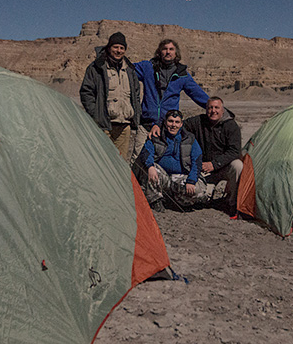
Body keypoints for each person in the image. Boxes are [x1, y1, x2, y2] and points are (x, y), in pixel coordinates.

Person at [79, 31, 142, 161]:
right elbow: (86, 92)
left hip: (124, 126)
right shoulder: (97, 67)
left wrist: (135, 114)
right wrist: (96, 114)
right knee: (102, 161)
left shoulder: (129, 70)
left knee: (120, 162)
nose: (118, 51)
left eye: (122, 48)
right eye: (115, 47)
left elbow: (136, 94)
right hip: (104, 125)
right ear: (109, 47)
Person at [134, 38, 209, 142]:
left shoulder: (182, 74)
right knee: (139, 152)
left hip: (169, 127)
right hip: (146, 126)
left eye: (171, 49)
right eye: (164, 49)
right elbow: (127, 69)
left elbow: (198, 94)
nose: (168, 52)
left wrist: (217, 109)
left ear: (176, 53)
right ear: (159, 52)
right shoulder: (147, 67)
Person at [135, 110, 209, 211]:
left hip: (180, 177)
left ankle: (175, 201)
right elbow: (146, 153)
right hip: (162, 176)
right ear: (165, 123)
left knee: (198, 191)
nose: (173, 125)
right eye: (170, 121)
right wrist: (150, 166)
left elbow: (197, 161)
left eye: (177, 122)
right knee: (151, 168)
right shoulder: (156, 136)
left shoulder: (190, 139)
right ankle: (155, 200)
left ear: (181, 124)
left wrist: (191, 181)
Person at [185, 97, 244, 214]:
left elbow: (234, 151)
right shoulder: (198, 122)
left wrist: (214, 164)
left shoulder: (231, 126)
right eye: (210, 108)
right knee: (197, 198)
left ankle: (233, 203)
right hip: (204, 170)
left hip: (223, 167)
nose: (213, 111)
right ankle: (210, 195)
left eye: (216, 108)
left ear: (223, 110)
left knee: (238, 165)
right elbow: (179, 126)